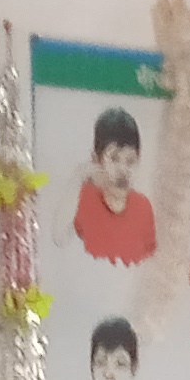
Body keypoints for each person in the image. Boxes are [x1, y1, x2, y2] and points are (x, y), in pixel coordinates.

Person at [73, 105, 155, 266]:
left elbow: (150, 259)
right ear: (96, 159)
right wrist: (77, 179)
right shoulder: (84, 198)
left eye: (130, 161)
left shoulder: (143, 206)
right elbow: (59, 239)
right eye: (114, 159)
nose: (123, 169)